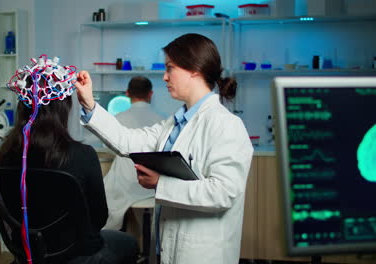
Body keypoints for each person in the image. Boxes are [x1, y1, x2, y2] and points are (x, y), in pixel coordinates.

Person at [75, 34, 254, 263]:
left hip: (202, 253)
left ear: (194, 69)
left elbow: (223, 192)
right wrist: (90, 104)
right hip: (166, 246)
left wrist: (161, 183)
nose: (164, 76)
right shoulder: (174, 123)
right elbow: (127, 141)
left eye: (170, 68)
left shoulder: (226, 125)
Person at [0, 55, 138, 264]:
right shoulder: (82, 154)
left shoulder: (6, 153)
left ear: (22, 106)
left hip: (29, 253)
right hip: (79, 254)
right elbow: (99, 217)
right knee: (128, 243)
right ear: (64, 107)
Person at [103, 76, 164, 230]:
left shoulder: (117, 119)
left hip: (124, 187)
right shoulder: (163, 120)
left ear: (127, 93)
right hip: (153, 188)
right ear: (150, 94)